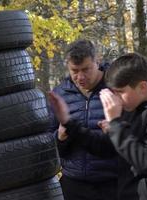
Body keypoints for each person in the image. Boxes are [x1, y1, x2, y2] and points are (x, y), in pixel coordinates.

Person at [49, 53, 147, 200]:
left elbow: (145, 161)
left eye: (120, 92)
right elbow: (105, 148)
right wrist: (68, 123)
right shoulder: (134, 108)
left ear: (142, 87)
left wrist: (116, 126)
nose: (116, 99)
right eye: (113, 93)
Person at [47, 39, 118, 200]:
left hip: (113, 184)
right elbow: (47, 143)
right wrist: (59, 137)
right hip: (74, 184)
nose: (80, 77)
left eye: (86, 69)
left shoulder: (116, 88)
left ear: (97, 61)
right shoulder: (59, 95)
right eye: (75, 70)